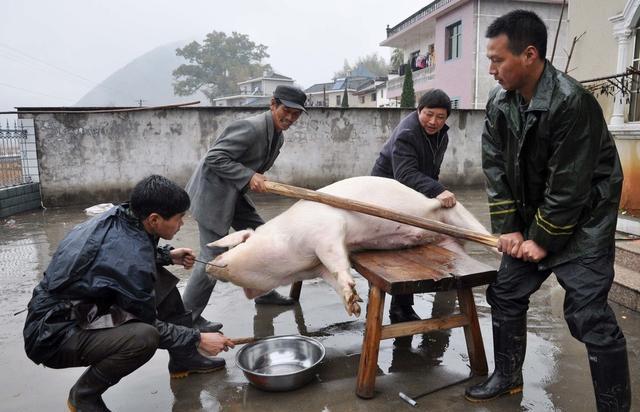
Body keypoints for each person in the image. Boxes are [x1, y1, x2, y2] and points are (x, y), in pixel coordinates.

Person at [465, 10, 631, 411]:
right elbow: (494, 165)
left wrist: (541, 239)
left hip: (585, 223)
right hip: (532, 218)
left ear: (529, 54)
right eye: (489, 60)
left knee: (588, 316)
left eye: (497, 60)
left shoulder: (572, 103)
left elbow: (570, 185)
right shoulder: (500, 102)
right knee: (505, 294)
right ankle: (506, 378)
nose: (491, 70)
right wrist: (510, 229)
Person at [23, 175, 235, 412]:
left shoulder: (123, 216)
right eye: (179, 218)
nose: (182, 224)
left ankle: (183, 358)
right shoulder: (133, 260)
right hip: (53, 334)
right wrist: (197, 338)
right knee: (143, 337)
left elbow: (113, 257)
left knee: (159, 279)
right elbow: (150, 322)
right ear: (154, 219)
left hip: (72, 308)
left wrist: (166, 256)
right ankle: (84, 396)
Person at [183, 85, 307, 331]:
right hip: (213, 195)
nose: (290, 118)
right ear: (273, 104)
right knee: (212, 260)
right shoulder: (251, 128)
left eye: (296, 114)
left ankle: (264, 293)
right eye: (286, 110)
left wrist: (253, 177)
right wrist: (249, 176)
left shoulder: (277, 136)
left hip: (232, 193)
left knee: (262, 238)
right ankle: (186, 319)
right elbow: (214, 158)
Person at [371, 88, 457, 323]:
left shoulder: (442, 135)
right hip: (386, 191)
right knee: (403, 245)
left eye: (440, 117)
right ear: (419, 110)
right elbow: (405, 173)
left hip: (412, 193)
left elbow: (432, 171)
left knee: (418, 242)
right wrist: (437, 191)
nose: (433, 121)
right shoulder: (407, 133)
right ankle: (399, 309)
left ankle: (404, 307)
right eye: (428, 114)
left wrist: (434, 196)